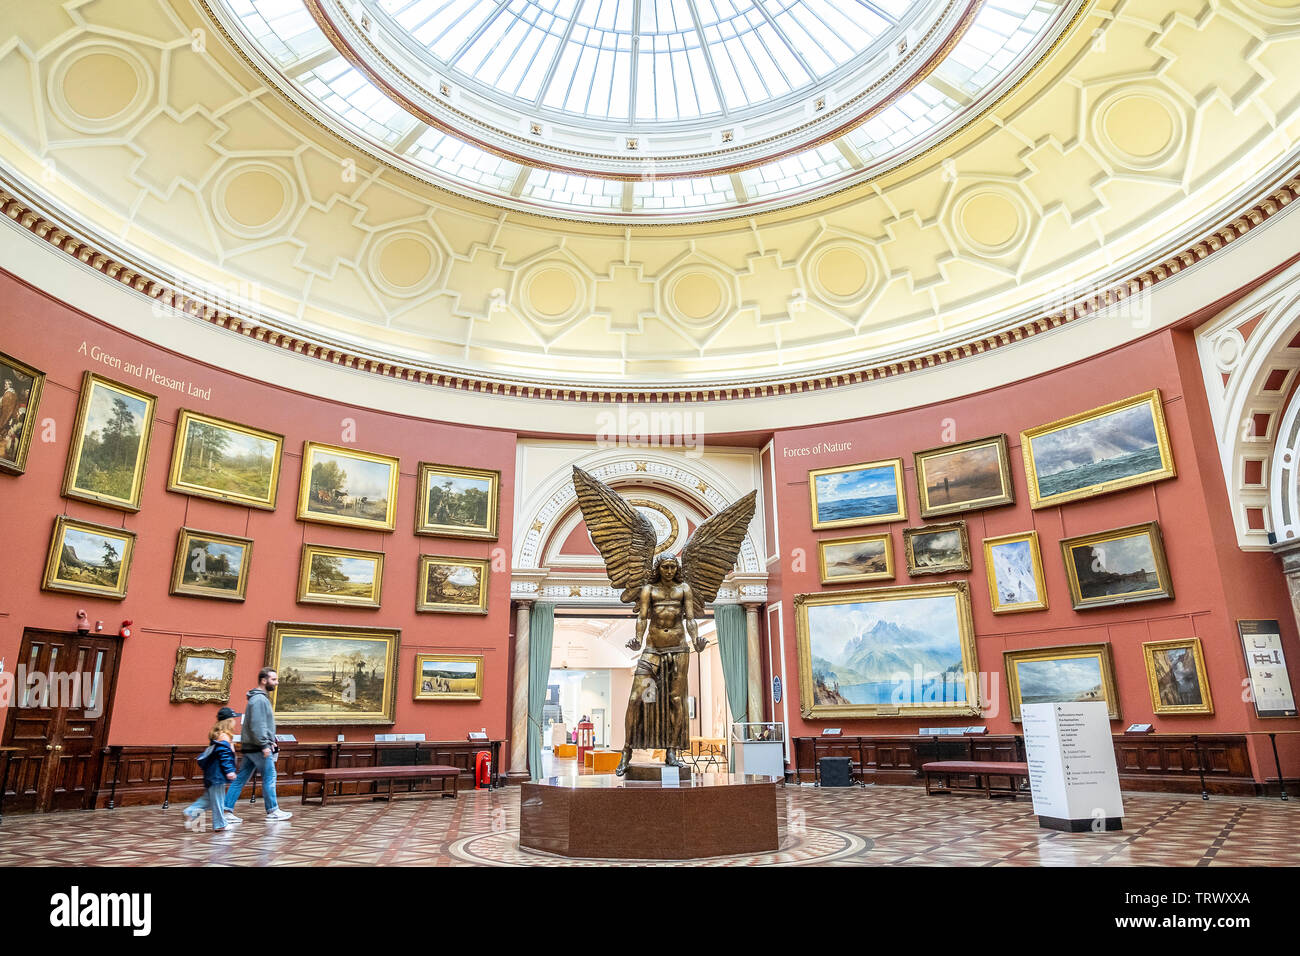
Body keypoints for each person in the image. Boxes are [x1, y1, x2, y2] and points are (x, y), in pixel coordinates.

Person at [223, 667, 293, 821]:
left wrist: (269, 741)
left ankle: (226, 811)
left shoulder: (257, 698)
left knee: (241, 778)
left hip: (251, 746)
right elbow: (258, 725)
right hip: (258, 747)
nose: (277, 682)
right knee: (270, 777)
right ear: (264, 680)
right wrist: (264, 745)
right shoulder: (260, 699)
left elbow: (260, 725)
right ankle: (273, 810)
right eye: (273, 679)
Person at [183, 707, 240, 832]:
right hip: (217, 775)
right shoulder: (224, 737)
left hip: (213, 774)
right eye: (233, 719)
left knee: (208, 799)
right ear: (228, 721)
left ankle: (190, 812)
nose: (235, 722)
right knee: (219, 800)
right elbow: (224, 756)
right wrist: (230, 771)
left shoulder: (218, 735)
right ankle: (220, 824)